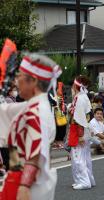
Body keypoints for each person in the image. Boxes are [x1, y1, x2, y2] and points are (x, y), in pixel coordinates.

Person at [0, 53, 61, 200]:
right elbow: (5, 111)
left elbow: (34, 155)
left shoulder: (35, 111)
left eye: (19, 76)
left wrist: (24, 186)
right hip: (21, 176)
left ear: (33, 81)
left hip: (23, 179)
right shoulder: (36, 106)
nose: (16, 81)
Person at [68, 76, 95, 190]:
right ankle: (87, 179)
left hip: (79, 131)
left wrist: (80, 136)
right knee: (85, 157)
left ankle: (84, 181)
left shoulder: (79, 98)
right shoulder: (82, 97)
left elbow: (79, 119)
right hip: (84, 130)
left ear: (75, 86)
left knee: (77, 158)